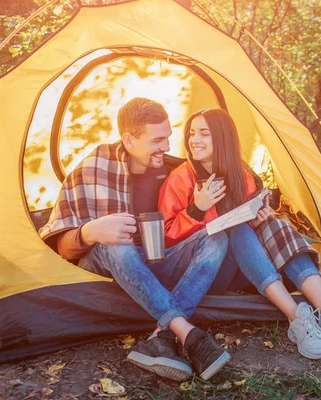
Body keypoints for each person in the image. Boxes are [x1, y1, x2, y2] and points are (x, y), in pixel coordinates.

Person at [39, 98, 231, 382]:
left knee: (217, 237)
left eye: (168, 137)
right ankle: (187, 333)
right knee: (117, 244)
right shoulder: (94, 168)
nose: (166, 146)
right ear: (129, 140)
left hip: (158, 259)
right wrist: (92, 231)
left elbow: (227, 172)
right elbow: (62, 248)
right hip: (111, 262)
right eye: (157, 140)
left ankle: (160, 339)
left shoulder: (175, 171)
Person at [158, 109, 321, 360]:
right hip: (202, 270)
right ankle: (296, 316)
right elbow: (167, 239)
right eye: (191, 133)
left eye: (204, 133)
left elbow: (248, 233)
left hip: (242, 269)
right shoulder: (180, 178)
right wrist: (196, 209)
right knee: (234, 227)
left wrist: (258, 220)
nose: (194, 140)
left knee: (274, 225)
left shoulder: (241, 176)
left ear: (222, 137)